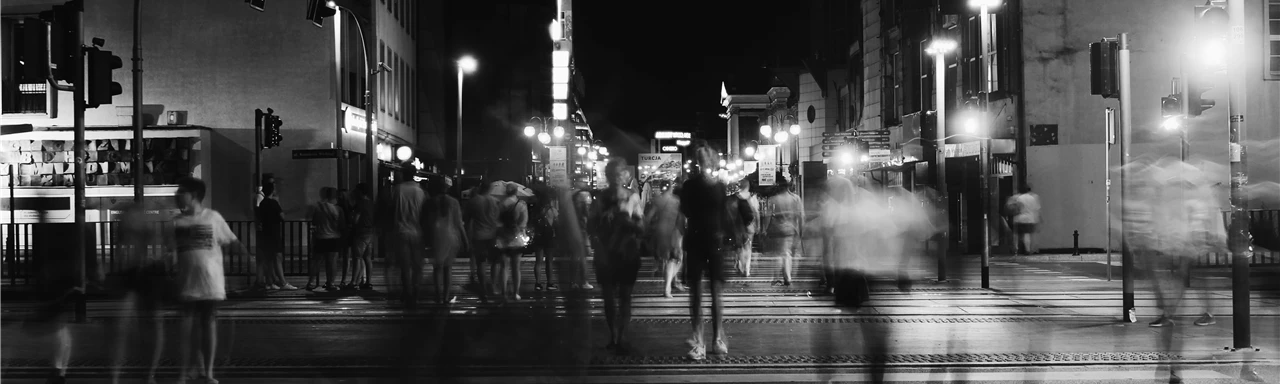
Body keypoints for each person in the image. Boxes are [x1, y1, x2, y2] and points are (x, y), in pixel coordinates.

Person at [170, 177, 250, 384]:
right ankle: (187, 371)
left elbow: (232, 241)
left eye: (181, 192)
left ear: (194, 195)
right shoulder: (177, 221)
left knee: (207, 326)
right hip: (186, 281)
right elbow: (173, 251)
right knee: (186, 329)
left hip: (210, 282)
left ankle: (207, 371)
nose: (176, 196)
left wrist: (250, 263)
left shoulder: (212, 217)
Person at [680, 143, 732, 360]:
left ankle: (715, 338)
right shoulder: (696, 185)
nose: (704, 164)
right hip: (700, 241)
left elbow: (689, 210)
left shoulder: (714, 186)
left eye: (705, 160)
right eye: (701, 160)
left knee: (713, 294)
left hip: (710, 241)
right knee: (698, 294)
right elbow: (686, 210)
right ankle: (702, 340)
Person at [589, 157, 646, 353]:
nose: (614, 177)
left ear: (625, 175)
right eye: (611, 174)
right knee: (608, 297)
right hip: (605, 254)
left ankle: (621, 336)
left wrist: (625, 220)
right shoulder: (599, 199)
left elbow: (641, 227)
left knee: (625, 296)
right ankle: (613, 336)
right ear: (606, 176)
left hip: (627, 252)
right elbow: (591, 226)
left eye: (618, 173)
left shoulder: (632, 198)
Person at [111, 203, 167, 384]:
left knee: (129, 327)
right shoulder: (143, 226)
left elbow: (122, 250)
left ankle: (120, 376)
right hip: (142, 274)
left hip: (139, 274)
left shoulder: (132, 226)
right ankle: (147, 374)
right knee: (149, 327)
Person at [386, 165, 427, 308]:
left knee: (405, 266)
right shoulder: (420, 191)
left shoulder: (397, 190)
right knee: (417, 266)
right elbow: (424, 214)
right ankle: (415, 293)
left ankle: (407, 292)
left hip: (401, 231)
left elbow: (390, 211)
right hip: (417, 232)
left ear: (403, 174)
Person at [425, 177, 467, 304]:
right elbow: (459, 223)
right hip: (451, 236)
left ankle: (438, 295)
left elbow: (428, 222)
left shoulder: (431, 202)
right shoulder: (454, 202)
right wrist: (465, 239)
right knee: (448, 268)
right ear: (448, 188)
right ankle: (446, 296)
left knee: (437, 267)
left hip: (436, 236)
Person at [761, 174, 804, 286]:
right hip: (790, 229)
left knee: (779, 253)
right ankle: (787, 277)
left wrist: (764, 229)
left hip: (776, 229)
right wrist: (801, 229)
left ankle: (779, 277)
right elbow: (801, 216)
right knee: (786, 252)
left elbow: (768, 215)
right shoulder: (795, 198)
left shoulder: (773, 199)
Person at [645, 179, 685, 298]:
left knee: (666, 260)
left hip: (660, 231)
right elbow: (680, 218)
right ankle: (668, 286)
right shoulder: (676, 201)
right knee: (676, 260)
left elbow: (648, 217)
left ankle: (669, 286)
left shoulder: (656, 200)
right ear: (671, 187)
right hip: (672, 232)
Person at [254, 182, 295, 290]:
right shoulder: (274, 203)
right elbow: (282, 216)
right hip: (274, 233)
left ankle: (269, 282)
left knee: (269, 259)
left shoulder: (262, 203)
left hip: (265, 233)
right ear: (272, 190)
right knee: (277, 257)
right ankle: (283, 282)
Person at [464, 181, 500, 301]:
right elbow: (499, 219)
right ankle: (494, 286)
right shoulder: (495, 201)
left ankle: (483, 289)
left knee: (481, 263)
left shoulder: (474, 201)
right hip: (493, 235)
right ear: (489, 189)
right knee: (495, 262)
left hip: (478, 235)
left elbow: (467, 219)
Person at [495, 182, 530, 301]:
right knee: (516, 267)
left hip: (503, 239)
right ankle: (516, 292)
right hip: (517, 239)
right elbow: (523, 223)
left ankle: (504, 292)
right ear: (516, 191)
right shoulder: (521, 204)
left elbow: (497, 222)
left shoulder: (501, 204)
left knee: (504, 266)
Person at [307, 187, 345, 291]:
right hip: (334, 238)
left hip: (320, 237)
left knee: (316, 261)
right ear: (335, 196)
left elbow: (314, 222)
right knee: (332, 262)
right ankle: (330, 283)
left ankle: (311, 282)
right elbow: (342, 225)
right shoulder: (338, 209)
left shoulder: (318, 208)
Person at [346, 183, 377, 290]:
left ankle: (354, 282)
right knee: (367, 258)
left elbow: (355, 220)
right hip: (370, 231)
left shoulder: (361, 203)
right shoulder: (372, 203)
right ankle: (369, 282)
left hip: (361, 232)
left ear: (360, 192)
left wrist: (351, 218)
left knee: (357, 257)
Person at [530, 186, 560, 292]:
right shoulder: (552, 210)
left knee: (538, 261)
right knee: (549, 261)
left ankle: (538, 283)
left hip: (538, 237)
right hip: (549, 238)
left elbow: (532, 223)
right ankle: (549, 283)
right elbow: (557, 224)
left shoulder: (536, 210)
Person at [732, 178, 760, 277]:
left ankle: (740, 267)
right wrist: (758, 225)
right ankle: (747, 270)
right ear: (748, 186)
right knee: (748, 247)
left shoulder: (735, 197)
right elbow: (756, 213)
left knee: (739, 247)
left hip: (738, 226)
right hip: (750, 225)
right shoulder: (752, 197)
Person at [1009, 186, 1041, 255]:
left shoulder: (1019, 198)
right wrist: (1037, 219)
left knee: (1016, 234)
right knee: (1027, 234)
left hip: (1019, 218)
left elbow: (1016, 208)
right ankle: (1027, 250)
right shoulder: (1032, 198)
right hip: (1030, 218)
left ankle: (1015, 249)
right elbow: (1036, 209)